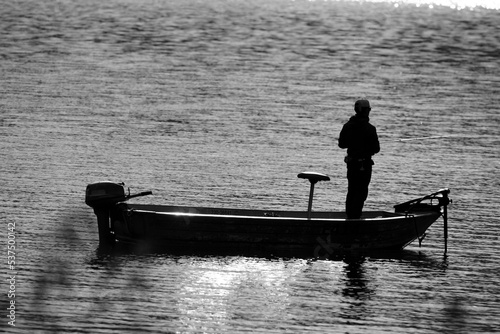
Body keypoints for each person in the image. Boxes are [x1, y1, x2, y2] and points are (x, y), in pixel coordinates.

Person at [338, 99, 380, 219]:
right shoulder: (370, 129)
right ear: (365, 111)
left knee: (351, 190)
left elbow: (341, 144)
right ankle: (355, 217)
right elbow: (376, 149)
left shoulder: (347, 126)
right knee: (361, 192)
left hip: (351, 165)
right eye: (369, 110)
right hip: (364, 165)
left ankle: (350, 216)